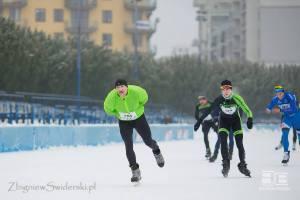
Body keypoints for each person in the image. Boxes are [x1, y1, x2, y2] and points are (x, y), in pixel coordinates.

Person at [104, 79, 165, 183]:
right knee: (128, 145)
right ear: (115, 89)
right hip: (124, 122)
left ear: (127, 87)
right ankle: (135, 171)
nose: (120, 89)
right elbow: (108, 109)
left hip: (138, 118)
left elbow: (144, 99)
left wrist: (137, 110)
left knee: (148, 141)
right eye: (118, 87)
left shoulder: (136, 92)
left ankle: (157, 151)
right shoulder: (111, 97)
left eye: (122, 87)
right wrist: (118, 114)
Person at [194, 80, 253, 177]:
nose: (225, 91)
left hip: (235, 122)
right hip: (224, 122)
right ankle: (226, 164)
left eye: (228, 89)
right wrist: (199, 121)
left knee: (239, 144)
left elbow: (247, 109)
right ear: (221, 90)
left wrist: (250, 119)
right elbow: (209, 110)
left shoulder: (237, 98)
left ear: (231, 89)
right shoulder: (219, 99)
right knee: (223, 142)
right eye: (223, 89)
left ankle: (242, 165)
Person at [266, 85, 300, 164]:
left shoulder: (289, 96)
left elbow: (293, 109)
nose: (279, 96)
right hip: (287, 118)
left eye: (280, 94)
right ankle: (286, 154)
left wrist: (280, 109)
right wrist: (268, 108)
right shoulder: (275, 99)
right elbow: (270, 105)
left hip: (297, 117)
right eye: (277, 94)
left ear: (283, 92)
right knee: (284, 135)